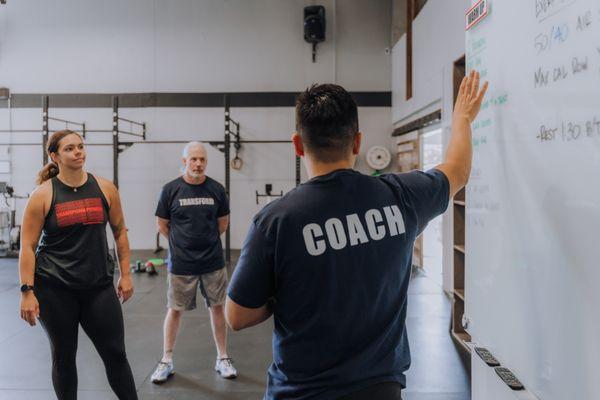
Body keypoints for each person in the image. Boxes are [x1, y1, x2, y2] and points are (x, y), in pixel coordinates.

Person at [225, 71, 488, 399]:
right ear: (358, 141)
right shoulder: (400, 196)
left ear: (297, 144)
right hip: (380, 390)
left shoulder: (275, 221)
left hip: (301, 392)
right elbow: (458, 169)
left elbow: (237, 315)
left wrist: (286, 295)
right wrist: (462, 117)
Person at [18, 129, 138, 400]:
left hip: (98, 287)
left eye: (81, 146)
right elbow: (28, 246)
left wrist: (126, 274)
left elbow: (120, 232)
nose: (78, 152)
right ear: (54, 156)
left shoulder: (105, 188)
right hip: (55, 289)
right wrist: (27, 291)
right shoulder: (43, 195)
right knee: (64, 357)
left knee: (116, 354)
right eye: (70, 148)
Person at [151, 141, 236, 383]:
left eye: (202, 160)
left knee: (218, 308)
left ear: (206, 162)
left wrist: (203, 242)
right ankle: (166, 360)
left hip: (212, 261)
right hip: (181, 264)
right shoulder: (170, 190)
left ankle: (223, 357)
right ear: (184, 161)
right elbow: (162, 225)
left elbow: (223, 223)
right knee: (174, 310)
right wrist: (182, 244)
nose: (198, 164)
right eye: (193, 159)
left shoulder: (217, 190)